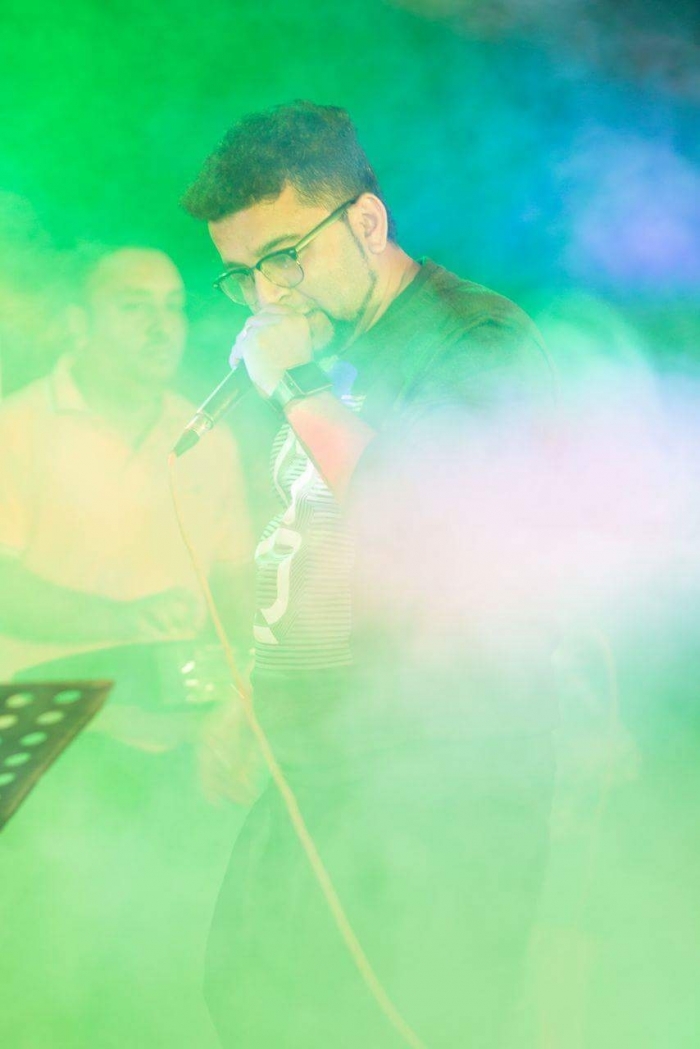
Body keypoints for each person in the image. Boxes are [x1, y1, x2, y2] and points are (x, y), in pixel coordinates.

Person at [182, 101, 559, 1049]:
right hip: (318, 757)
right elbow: (308, 544)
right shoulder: (325, 347)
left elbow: (428, 516)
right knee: (247, 996)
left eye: (283, 257)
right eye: (242, 274)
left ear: (367, 221)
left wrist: (296, 387)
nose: (266, 295)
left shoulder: (475, 340)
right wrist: (251, 693)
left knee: (395, 1021)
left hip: (438, 779)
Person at [0, 245, 253, 1049]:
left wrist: (240, 694)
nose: (160, 325)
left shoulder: (204, 435)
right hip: (51, 741)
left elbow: (237, 581)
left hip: (179, 739)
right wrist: (125, 615)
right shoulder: (17, 428)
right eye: (132, 306)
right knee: (50, 969)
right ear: (78, 321)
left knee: (164, 968)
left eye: (172, 306)